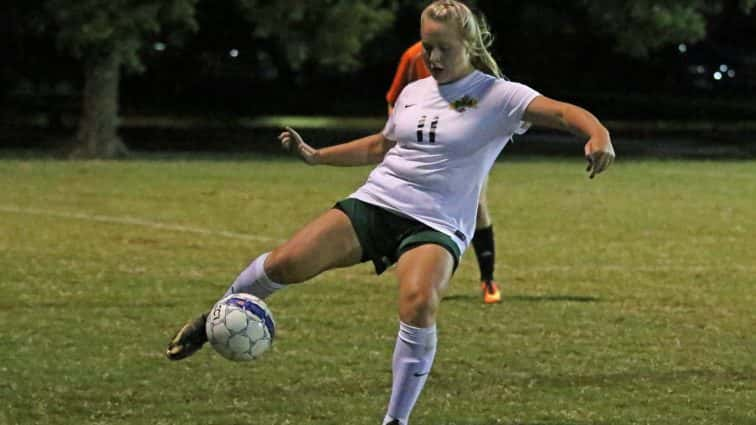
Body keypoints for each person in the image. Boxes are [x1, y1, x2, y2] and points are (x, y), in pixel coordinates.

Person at [165, 1, 615, 424]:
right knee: (286, 262)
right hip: (380, 201)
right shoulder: (415, 91)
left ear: (469, 46)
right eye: (427, 47)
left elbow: (562, 112)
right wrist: (317, 155)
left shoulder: (499, 96)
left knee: (419, 303)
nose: (433, 57)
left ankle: (395, 419)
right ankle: (211, 320)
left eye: (444, 48)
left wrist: (596, 134)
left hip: (438, 222)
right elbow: (382, 146)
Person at [387, 39, 504, 304]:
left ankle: (488, 279)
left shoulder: (471, 52)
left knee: (477, 205)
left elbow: (493, 95)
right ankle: (425, 273)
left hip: (466, 144)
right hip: (424, 146)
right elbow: (394, 100)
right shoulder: (413, 55)